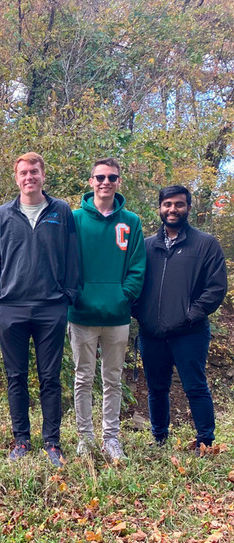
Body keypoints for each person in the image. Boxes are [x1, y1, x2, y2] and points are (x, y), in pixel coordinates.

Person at [0, 152, 81, 467]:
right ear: (16, 177)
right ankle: (21, 440)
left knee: (50, 377)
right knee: (16, 376)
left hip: (51, 307)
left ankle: (52, 442)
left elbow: (72, 258)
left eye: (34, 171)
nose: (29, 177)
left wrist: (68, 295)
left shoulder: (61, 211)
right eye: (23, 172)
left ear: (43, 175)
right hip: (10, 307)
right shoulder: (1, 215)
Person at [133, 185, 227, 455]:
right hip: (152, 332)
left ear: (188, 207)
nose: (173, 209)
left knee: (195, 386)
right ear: (160, 208)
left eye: (179, 204)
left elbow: (216, 287)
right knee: (156, 388)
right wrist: (140, 313)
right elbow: (134, 282)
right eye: (167, 205)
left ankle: (205, 441)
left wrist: (191, 315)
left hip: (190, 332)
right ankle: (159, 438)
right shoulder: (146, 245)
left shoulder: (205, 244)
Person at [68, 158, 145, 461]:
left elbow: (138, 267)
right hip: (82, 314)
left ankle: (111, 439)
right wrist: (76, 295)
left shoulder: (132, 222)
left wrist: (123, 296)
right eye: (100, 177)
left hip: (116, 316)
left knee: (113, 379)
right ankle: (85, 439)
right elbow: (64, 263)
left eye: (111, 177)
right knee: (82, 378)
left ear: (118, 182)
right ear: (91, 182)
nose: (105, 182)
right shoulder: (73, 218)